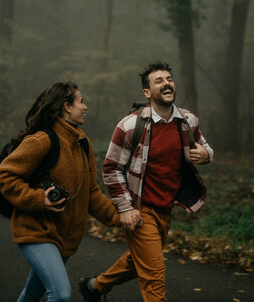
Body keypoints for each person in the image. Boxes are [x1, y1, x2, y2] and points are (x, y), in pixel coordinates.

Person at [78, 62, 214, 302]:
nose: (167, 83)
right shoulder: (130, 126)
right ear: (147, 93)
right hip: (140, 209)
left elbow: (204, 147)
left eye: (169, 79)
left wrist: (206, 155)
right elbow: (111, 168)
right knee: (154, 275)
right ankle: (96, 287)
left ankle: (94, 287)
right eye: (159, 80)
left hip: (166, 209)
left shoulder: (188, 121)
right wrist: (126, 208)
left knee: (138, 260)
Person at [0, 81, 123, 302]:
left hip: (64, 237)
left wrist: (120, 216)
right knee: (61, 295)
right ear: (66, 106)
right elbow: (4, 175)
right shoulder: (42, 140)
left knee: (33, 294)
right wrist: (37, 199)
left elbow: (90, 192)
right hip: (36, 230)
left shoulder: (83, 144)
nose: (85, 107)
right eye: (81, 102)